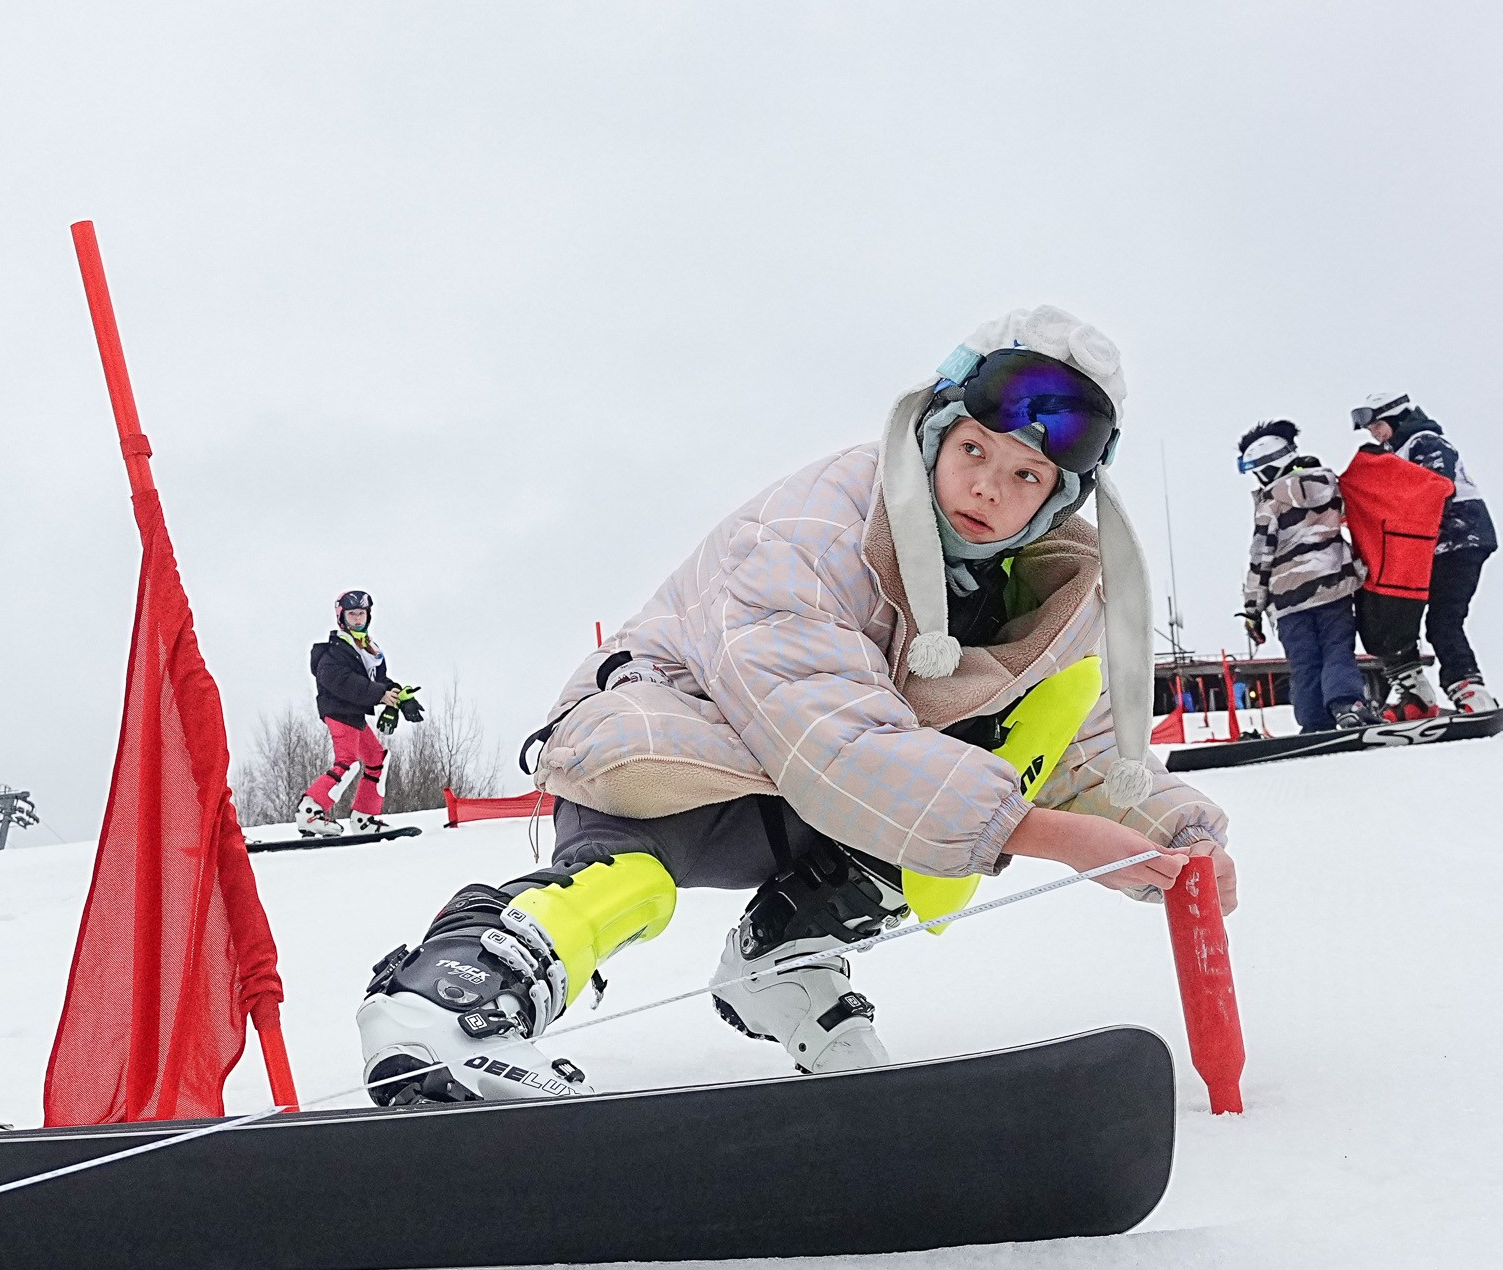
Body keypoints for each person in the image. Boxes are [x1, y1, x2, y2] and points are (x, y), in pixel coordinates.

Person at [354, 307, 1237, 1105]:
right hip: (679, 751)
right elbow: (830, 738)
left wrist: (1176, 833)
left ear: (1058, 498)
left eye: (1026, 475)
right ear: (932, 435)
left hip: (819, 794)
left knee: (1045, 702)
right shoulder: (816, 529)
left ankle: (785, 956)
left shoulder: (1028, 591)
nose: (989, 489)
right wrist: (1039, 835)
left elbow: (1080, 757)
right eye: (974, 451)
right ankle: (449, 999)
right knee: (639, 875)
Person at [1354, 393, 1499, 714]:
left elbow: (1434, 486)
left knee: (1443, 620)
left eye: (1378, 426)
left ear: (1396, 418)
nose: (1374, 434)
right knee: (1394, 618)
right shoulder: (1398, 452)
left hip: (1459, 541)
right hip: (1425, 548)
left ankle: (1471, 691)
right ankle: (1413, 694)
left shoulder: (1425, 441)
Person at [1236, 420, 1375, 730]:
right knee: (1337, 649)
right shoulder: (1331, 487)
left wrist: (1252, 611)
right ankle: (1348, 705)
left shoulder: (1270, 503)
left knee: (1305, 663)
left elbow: (1261, 558)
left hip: (1289, 601)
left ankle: (1314, 722)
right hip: (1333, 588)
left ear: (1267, 466)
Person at [297, 590, 418, 836]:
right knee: (348, 761)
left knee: (377, 760)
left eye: (361, 613)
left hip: (355, 715)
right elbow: (343, 681)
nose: (357, 619)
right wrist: (379, 695)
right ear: (341, 617)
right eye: (352, 614)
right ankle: (310, 812)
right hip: (339, 711)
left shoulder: (369, 649)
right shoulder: (335, 650)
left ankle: (364, 818)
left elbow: (378, 680)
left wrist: (400, 696)